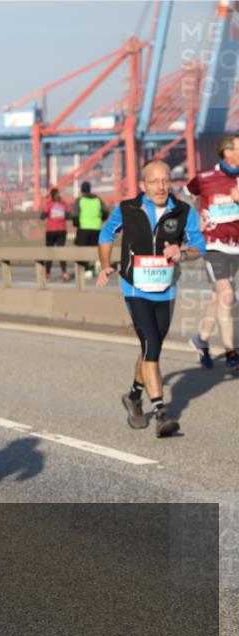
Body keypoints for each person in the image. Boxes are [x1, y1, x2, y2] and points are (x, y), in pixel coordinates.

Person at [97, 160, 205, 437]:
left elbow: (198, 246)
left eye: (165, 180)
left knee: (150, 347)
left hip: (166, 289)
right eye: (154, 181)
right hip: (135, 288)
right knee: (151, 345)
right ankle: (160, 412)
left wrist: (182, 253)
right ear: (143, 185)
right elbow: (106, 234)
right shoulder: (128, 209)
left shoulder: (183, 211)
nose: (161, 186)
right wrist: (105, 263)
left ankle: (133, 396)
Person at [186, 134, 239, 371]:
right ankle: (231, 353)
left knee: (217, 298)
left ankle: (202, 340)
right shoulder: (205, 177)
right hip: (213, 245)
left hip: (236, 246)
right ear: (228, 152)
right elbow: (186, 196)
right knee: (227, 295)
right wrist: (195, 220)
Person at [72, 181, 108, 277]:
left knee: (81, 250)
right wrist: (101, 219)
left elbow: (75, 214)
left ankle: (86, 269)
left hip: (84, 228)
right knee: (96, 248)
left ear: (81, 190)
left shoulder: (80, 200)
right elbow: (106, 211)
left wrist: (76, 223)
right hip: (97, 227)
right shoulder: (97, 199)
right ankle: (97, 262)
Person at [40, 187, 71, 282]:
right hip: (62, 230)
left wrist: (48, 212)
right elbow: (69, 216)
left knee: (49, 252)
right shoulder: (64, 204)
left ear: (51, 196)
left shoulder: (49, 204)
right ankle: (64, 273)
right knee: (61, 252)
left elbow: (42, 216)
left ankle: (47, 273)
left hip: (50, 230)